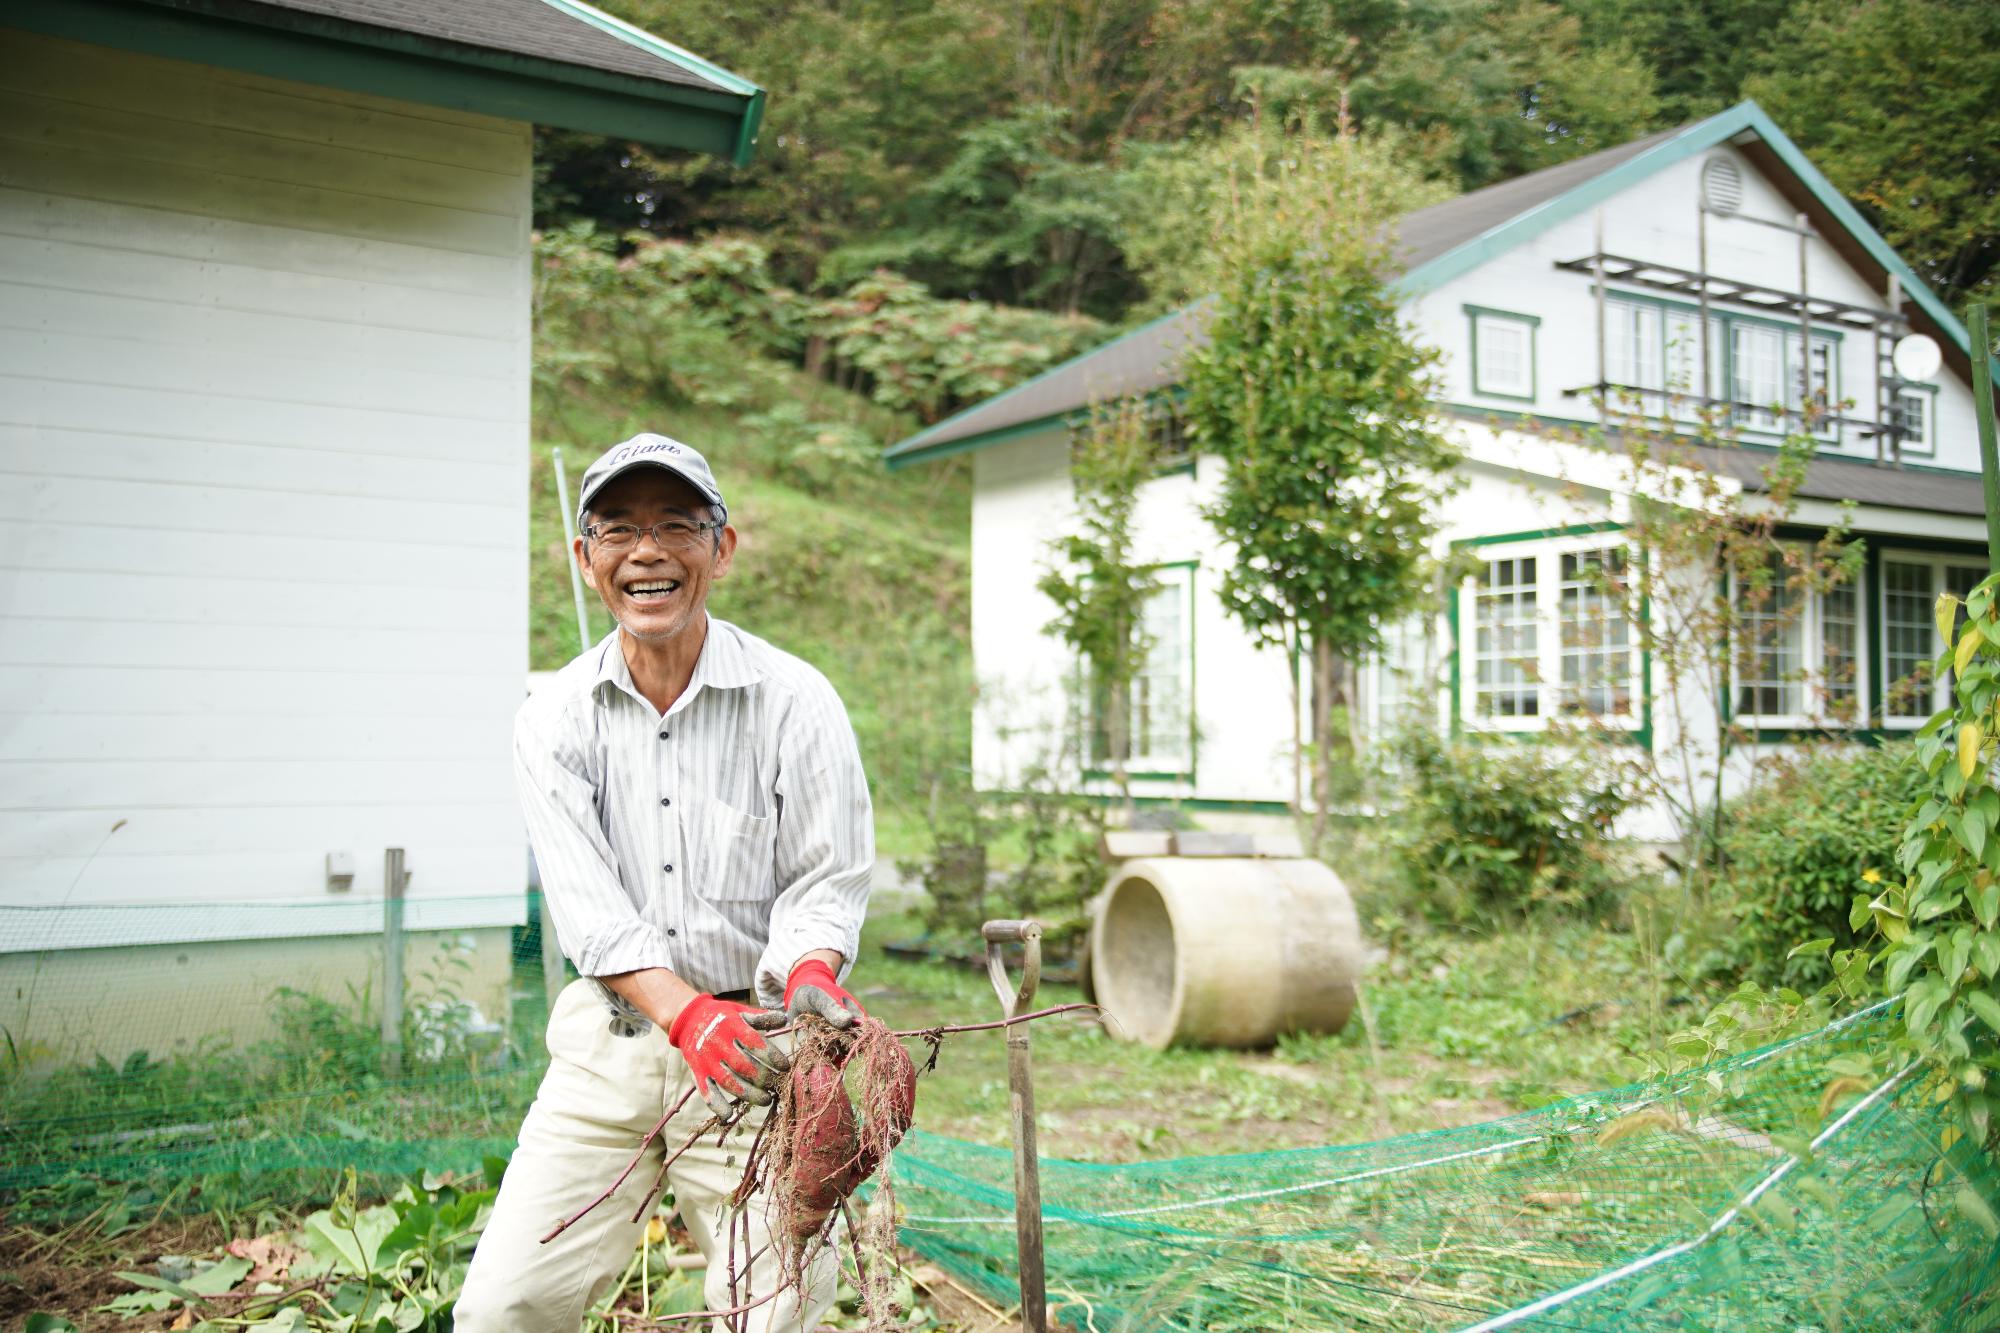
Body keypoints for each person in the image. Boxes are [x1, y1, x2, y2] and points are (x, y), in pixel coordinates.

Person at [455, 433, 874, 1332]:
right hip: (610, 1052)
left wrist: (809, 977)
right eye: (617, 529)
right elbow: (590, 913)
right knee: (502, 1306)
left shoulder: (795, 700)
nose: (647, 552)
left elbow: (825, 879)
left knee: (777, 1312)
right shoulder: (556, 717)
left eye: (677, 524)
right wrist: (685, 1015)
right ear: (586, 559)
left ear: (720, 548)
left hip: (759, 1060)